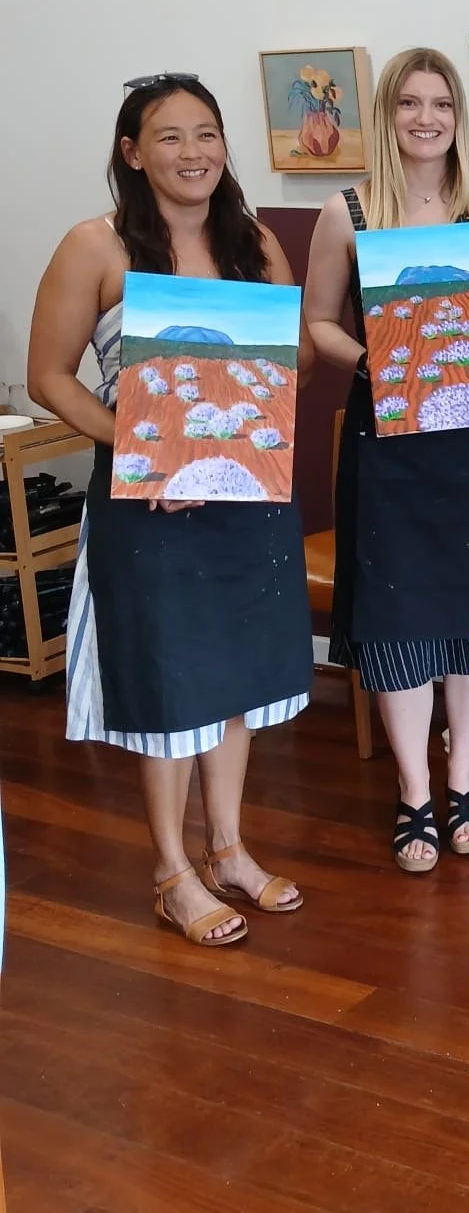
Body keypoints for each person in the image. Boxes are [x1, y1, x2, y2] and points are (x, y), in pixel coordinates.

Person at [28, 75, 311, 947]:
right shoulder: (96, 245)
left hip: (247, 497)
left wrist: (267, 375)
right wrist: (140, 448)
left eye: (207, 133)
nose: (194, 153)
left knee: (238, 681)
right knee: (170, 684)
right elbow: (48, 377)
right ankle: (170, 872)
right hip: (149, 503)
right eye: (170, 136)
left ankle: (228, 849)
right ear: (132, 152)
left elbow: (295, 357)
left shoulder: (254, 241)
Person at [306, 48, 469, 871]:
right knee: (400, 615)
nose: (426, 118)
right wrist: (378, 363)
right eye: (409, 103)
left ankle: (465, 773)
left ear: (459, 117)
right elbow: (319, 324)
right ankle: (415, 789)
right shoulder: (348, 211)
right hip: (391, 445)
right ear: (387, 116)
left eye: (441, 103)